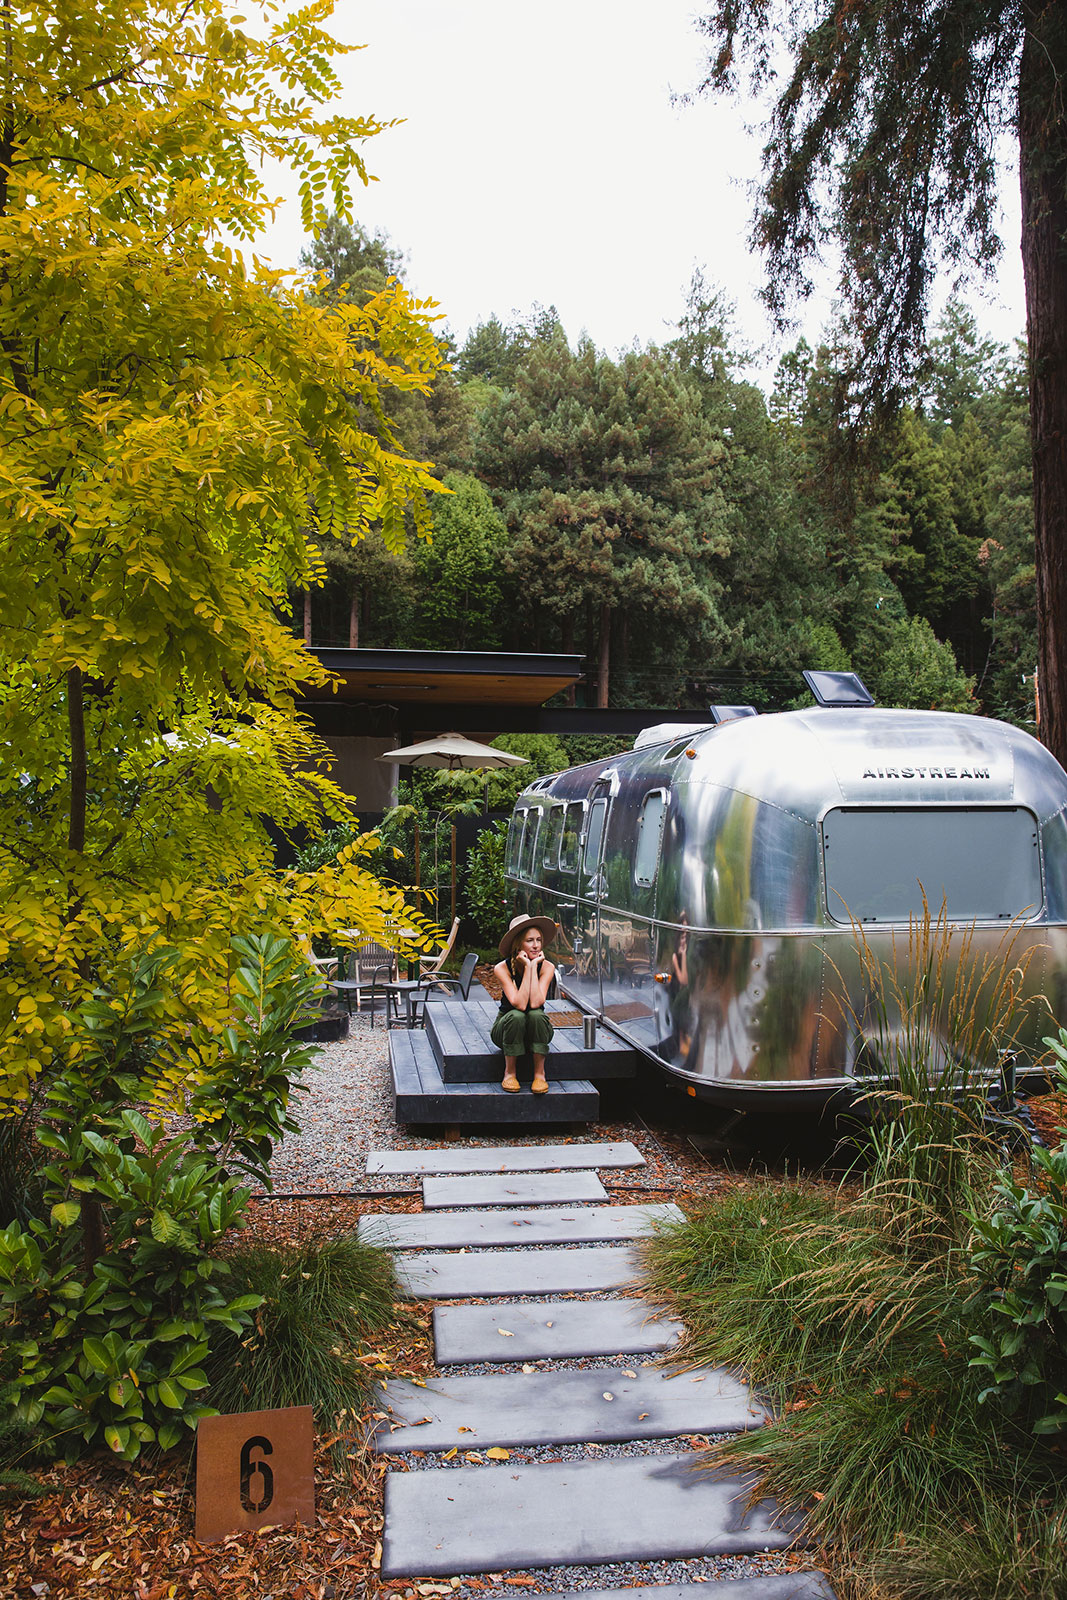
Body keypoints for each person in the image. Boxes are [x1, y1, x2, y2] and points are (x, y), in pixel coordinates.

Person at [491, 914, 557, 1093]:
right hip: (507, 1029)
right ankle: (510, 1073)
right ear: (518, 944)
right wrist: (528, 968)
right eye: (530, 940)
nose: (536, 945)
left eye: (539, 940)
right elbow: (519, 1004)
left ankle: (540, 1074)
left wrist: (533, 966)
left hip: (536, 1029)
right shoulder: (502, 968)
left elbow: (535, 1002)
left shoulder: (547, 967)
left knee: (536, 1014)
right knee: (518, 1015)